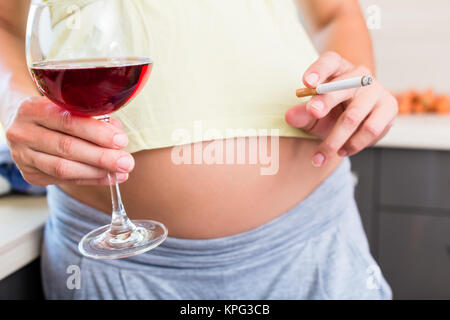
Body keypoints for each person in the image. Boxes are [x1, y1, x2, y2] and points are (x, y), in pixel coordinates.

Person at [0, 0, 397, 299]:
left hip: (315, 249)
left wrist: (350, 93)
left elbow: (336, 15)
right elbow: (6, 23)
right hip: (116, 268)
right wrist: (15, 103)